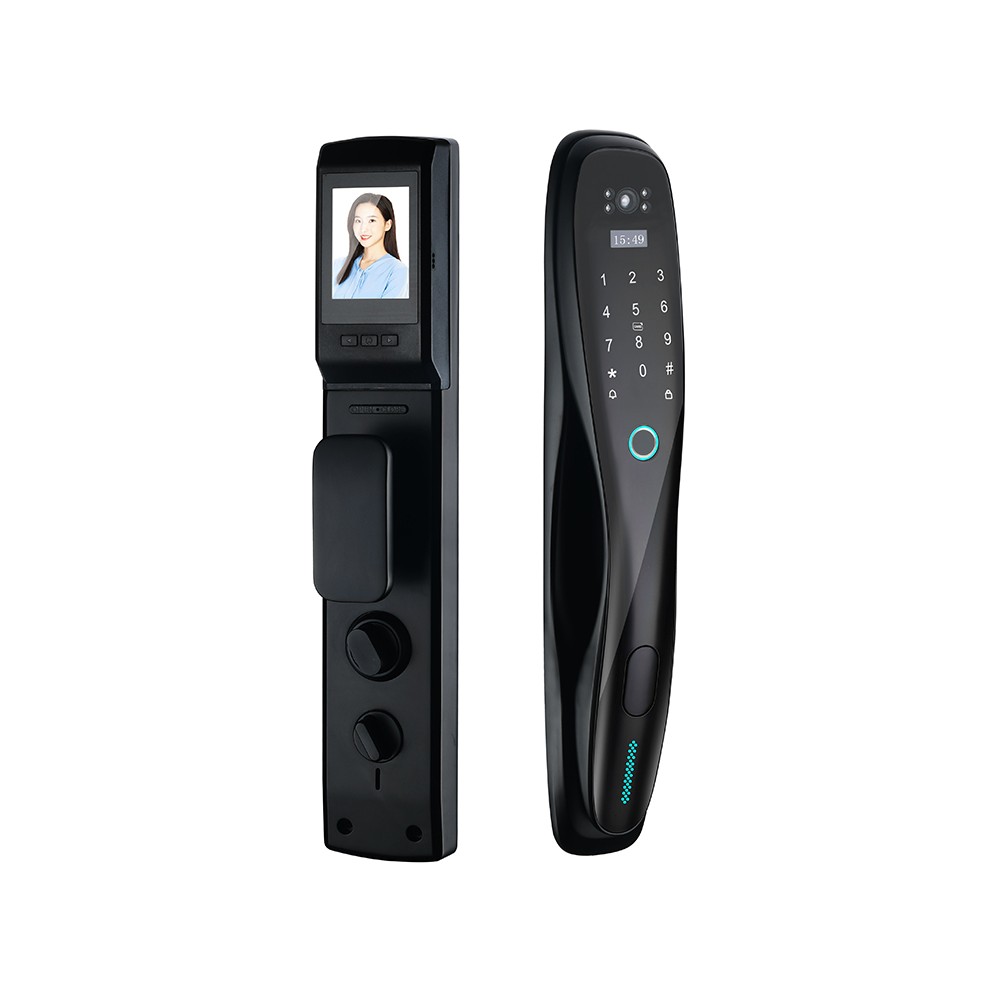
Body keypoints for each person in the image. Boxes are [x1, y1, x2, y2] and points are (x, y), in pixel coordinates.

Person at [333, 193, 408, 298]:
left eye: (371, 220)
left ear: (387, 225)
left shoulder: (397, 271)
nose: (363, 229)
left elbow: (389, 309)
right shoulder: (338, 265)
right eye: (358, 221)